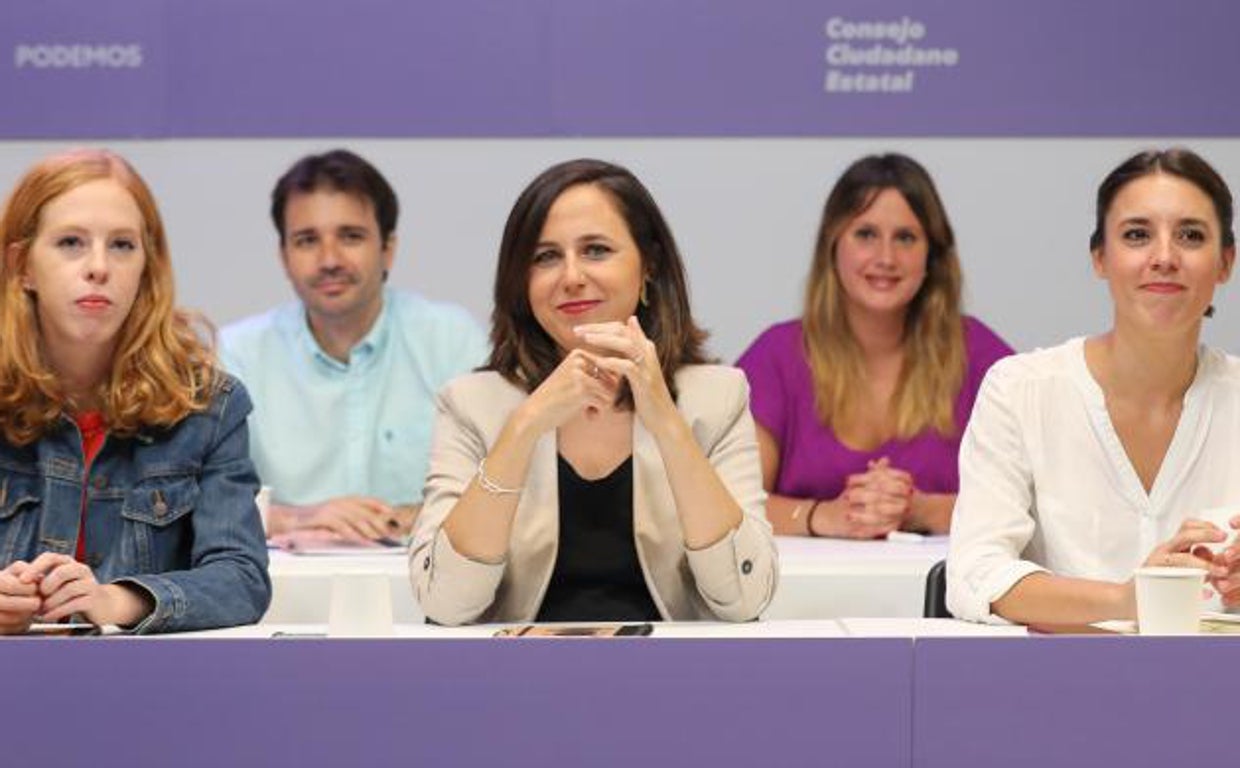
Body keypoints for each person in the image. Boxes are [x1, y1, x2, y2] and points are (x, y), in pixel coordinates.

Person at [411, 159, 777, 625]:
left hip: (672, 681)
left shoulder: (717, 398)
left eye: (596, 250)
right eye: (545, 257)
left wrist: (664, 417)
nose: (571, 277)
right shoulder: (470, 404)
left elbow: (745, 599)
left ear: (649, 264)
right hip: (511, 682)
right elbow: (445, 605)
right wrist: (522, 428)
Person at [947, 148, 1240, 625]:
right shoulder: (1020, 390)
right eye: (1137, 235)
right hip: (1060, 686)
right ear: (1100, 257)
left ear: (1225, 262)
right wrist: (1128, 600)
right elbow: (976, 573)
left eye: (1190, 235)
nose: (1164, 257)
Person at [0, 149, 270, 634]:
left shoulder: (207, 405)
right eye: (70, 243)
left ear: (148, 265)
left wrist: (115, 601)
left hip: (144, 693)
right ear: (23, 266)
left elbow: (241, 578)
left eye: (122, 245)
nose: (99, 267)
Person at [737, 154, 1012, 539]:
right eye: (865, 234)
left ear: (932, 255)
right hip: (801, 596)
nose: (886, 258)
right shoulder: (775, 356)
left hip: (945, 596)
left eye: (906, 238)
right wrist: (824, 517)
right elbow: (730, 506)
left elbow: (1030, 502)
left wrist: (922, 510)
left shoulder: (981, 356)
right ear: (832, 246)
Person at [220, 150, 487, 543]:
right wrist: (299, 518)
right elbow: (205, 503)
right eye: (307, 240)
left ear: (387, 249)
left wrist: (410, 519)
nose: (329, 260)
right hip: (282, 594)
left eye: (351, 236)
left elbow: (506, 481)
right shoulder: (237, 355)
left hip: (429, 589)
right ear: (284, 257)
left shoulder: (453, 341)